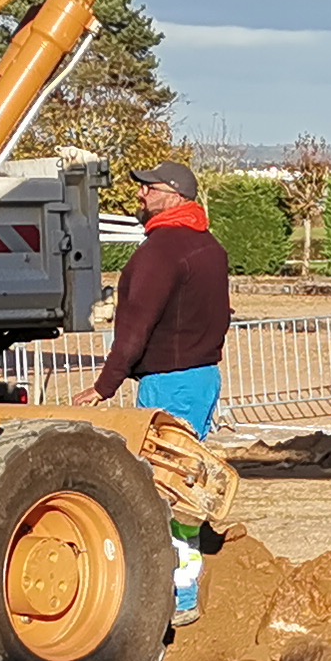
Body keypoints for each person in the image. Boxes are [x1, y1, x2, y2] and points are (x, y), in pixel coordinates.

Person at [92, 159, 233, 618]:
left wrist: (104, 385)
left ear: (173, 195)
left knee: (167, 492)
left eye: (148, 189)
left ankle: (180, 597)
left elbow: (134, 328)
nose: (140, 196)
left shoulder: (160, 252)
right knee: (182, 483)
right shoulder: (210, 247)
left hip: (169, 384)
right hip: (201, 377)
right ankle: (180, 588)